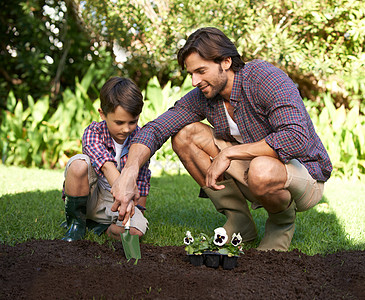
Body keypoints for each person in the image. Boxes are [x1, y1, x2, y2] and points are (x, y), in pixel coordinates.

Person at [109, 27, 332, 251]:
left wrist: (229, 153)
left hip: (304, 173)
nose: (195, 80)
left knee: (261, 168)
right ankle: (240, 222)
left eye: (201, 71)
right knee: (185, 135)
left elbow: (295, 137)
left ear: (225, 61)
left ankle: (281, 223)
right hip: (253, 168)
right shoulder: (205, 96)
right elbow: (156, 129)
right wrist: (129, 172)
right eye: (191, 74)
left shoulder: (264, 78)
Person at [61, 77, 151, 242]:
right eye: (119, 122)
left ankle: (99, 228)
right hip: (91, 197)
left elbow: (143, 178)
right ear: (102, 114)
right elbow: (105, 166)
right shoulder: (93, 132)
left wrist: (137, 211)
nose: (126, 129)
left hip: (119, 204)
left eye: (133, 122)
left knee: (135, 233)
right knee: (78, 164)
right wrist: (123, 191)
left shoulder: (140, 140)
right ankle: (76, 224)